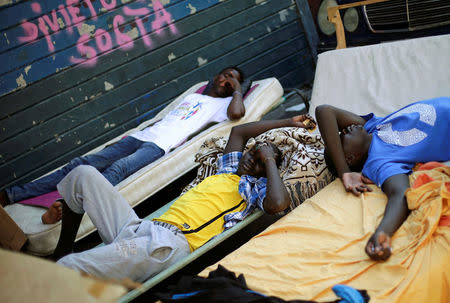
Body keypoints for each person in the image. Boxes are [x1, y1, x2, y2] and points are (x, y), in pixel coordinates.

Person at [52, 115, 313, 282]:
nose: (249, 159)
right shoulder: (227, 170)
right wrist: (288, 122)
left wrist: (268, 160)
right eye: (252, 153)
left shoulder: (254, 189)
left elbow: (277, 204)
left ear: (266, 172)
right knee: (83, 175)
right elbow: (240, 132)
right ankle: (62, 247)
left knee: (70, 267)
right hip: (141, 227)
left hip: (166, 244)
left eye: (257, 162)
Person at [0, 66, 247, 225]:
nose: (227, 80)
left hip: (158, 146)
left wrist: (237, 90)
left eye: (232, 80)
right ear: (215, 76)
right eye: (225, 75)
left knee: (117, 170)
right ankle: (10, 195)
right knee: (81, 164)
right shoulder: (194, 95)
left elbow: (238, 114)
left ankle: (62, 211)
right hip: (140, 137)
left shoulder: (222, 107)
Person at [315, 97, 449, 261]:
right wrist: (383, 232)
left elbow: (324, 111)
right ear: (350, 158)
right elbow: (399, 194)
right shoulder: (380, 162)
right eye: (341, 138)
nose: (342, 131)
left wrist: (344, 171)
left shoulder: (372, 128)